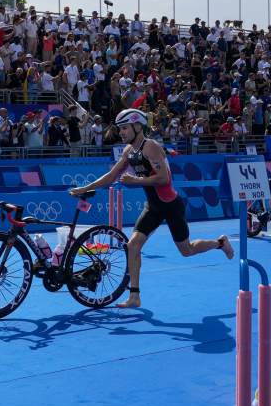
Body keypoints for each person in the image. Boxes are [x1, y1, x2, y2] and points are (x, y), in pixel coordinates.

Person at [69, 108, 233, 309]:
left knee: (187, 250)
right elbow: (111, 176)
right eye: (120, 129)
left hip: (170, 205)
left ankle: (220, 243)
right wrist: (84, 188)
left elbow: (165, 179)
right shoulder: (129, 151)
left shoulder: (151, 147)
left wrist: (136, 180)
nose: (121, 133)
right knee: (132, 245)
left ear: (138, 127)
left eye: (125, 128)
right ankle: (135, 296)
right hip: (153, 207)